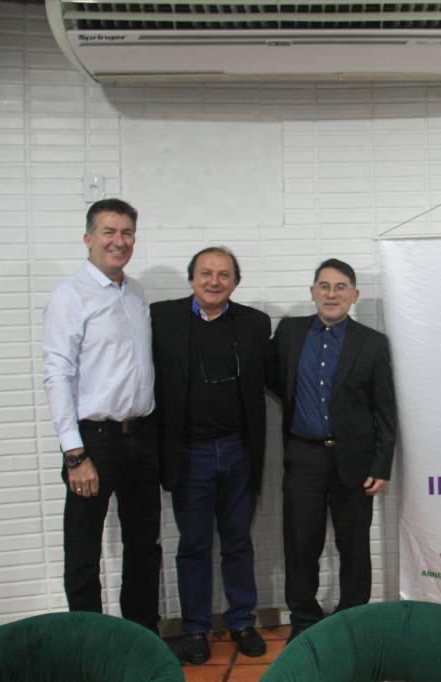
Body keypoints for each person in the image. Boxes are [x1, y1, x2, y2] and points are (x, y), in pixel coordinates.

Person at [42, 198, 161, 631]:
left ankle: (141, 638)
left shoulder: (136, 292)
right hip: (94, 442)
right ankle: (90, 645)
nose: (119, 241)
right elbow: (57, 374)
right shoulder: (70, 295)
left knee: (144, 545)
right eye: (109, 232)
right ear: (88, 238)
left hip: (141, 437)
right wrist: (74, 453)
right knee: (83, 551)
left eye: (127, 232)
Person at [150, 247, 271, 664]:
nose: (214, 282)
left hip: (239, 450)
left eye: (223, 275)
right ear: (192, 279)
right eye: (206, 273)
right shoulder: (162, 319)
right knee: (194, 546)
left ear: (235, 282)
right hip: (190, 454)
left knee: (238, 543)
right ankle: (195, 629)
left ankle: (241, 622)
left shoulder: (254, 323)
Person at [267, 258, 397, 643]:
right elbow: (274, 379)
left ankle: (352, 619)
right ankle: (304, 620)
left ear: (354, 296)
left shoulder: (372, 343)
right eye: (324, 286)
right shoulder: (289, 333)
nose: (331, 294)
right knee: (300, 544)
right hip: (304, 457)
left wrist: (382, 464)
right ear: (312, 292)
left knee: (353, 546)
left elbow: (385, 410)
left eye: (341, 287)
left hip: (354, 461)